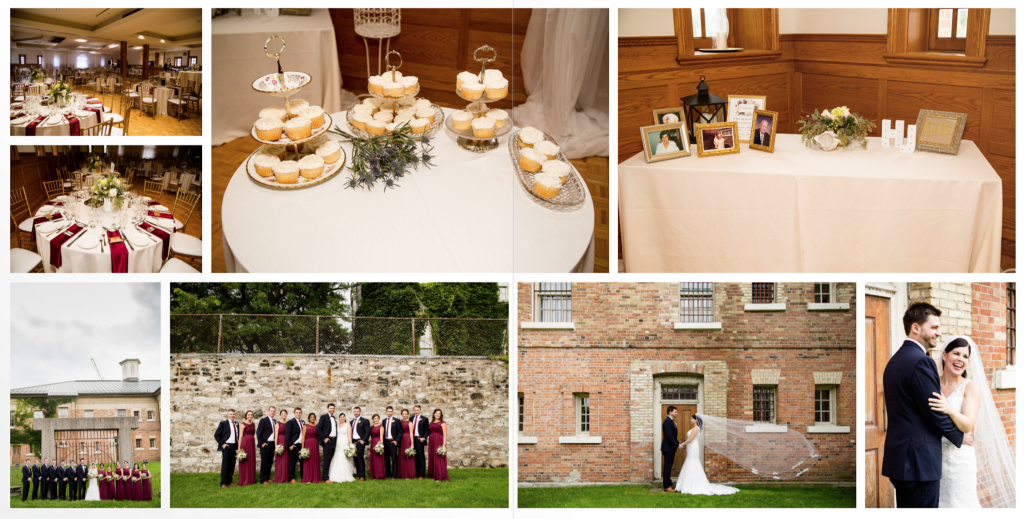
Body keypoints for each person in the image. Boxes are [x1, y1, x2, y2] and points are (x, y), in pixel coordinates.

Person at [882, 303, 964, 508]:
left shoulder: (894, 361)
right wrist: (960, 435)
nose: (939, 332)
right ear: (916, 328)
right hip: (920, 464)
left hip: (900, 460)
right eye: (934, 327)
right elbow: (935, 410)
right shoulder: (921, 362)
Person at [928, 337, 982, 507]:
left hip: (959, 461)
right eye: (956, 353)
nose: (961, 359)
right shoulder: (932, 384)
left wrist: (949, 408)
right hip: (933, 457)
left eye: (965, 356)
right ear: (944, 355)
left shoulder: (970, 387)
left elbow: (967, 425)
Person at [675, 415, 739, 495]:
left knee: (691, 463)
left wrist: (680, 445)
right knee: (691, 463)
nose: (690, 419)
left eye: (692, 418)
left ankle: (692, 485)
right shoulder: (694, 428)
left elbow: (690, 439)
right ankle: (689, 484)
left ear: (696, 420)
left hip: (693, 449)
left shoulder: (696, 428)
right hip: (691, 448)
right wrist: (684, 447)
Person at [214, 409, 240, 489]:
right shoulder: (223, 423)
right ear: (227, 415)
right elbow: (216, 435)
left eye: (233, 414)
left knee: (232, 465)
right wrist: (222, 444)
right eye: (231, 414)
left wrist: (237, 447)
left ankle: (229, 480)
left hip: (234, 446)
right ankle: (223, 482)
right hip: (227, 446)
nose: (232, 415)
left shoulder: (236, 424)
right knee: (225, 465)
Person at [327, 412, 356, 483]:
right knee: (337, 457)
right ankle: (334, 474)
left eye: (343, 417)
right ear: (339, 418)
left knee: (343, 458)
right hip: (338, 443)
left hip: (345, 443)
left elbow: (349, 436)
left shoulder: (348, 425)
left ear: (345, 418)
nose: (342, 418)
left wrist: (350, 445)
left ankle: (345, 474)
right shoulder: (337, 425)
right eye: (341, 417)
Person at [661, 406, 683, 491]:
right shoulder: (667, 422)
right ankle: (666, 486)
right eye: (675, 412)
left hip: (670, 448)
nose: (676, 413)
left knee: (669, 467)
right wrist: (677, 445)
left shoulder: (671, 421)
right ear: (670, 412)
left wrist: (678, 444)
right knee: (667, 467)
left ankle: (669, 483)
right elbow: (669, 436)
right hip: (668, 448)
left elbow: (673, 436)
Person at [317, 403, 339, 483]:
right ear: (327, 409)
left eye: (333, 408)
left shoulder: (335, 418)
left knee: (331, 459)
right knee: (326, 460)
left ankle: (330, 475)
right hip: (327, 440)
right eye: (330, 408)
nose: (332, 409)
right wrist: (324, 438)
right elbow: (318, 429)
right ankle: (325, 478)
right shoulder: (324, 417)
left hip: (334, 440)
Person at [257, 406, 277, 484]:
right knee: (264, 462)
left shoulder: (275, 421)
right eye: (271, 411)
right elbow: (259, 432)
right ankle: (263, 479)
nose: (272, 412)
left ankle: (267, 477)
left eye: (274, 411)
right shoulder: (263, 420)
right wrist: (262, 443)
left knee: (270, 461)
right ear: (268, 411)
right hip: (266, 444)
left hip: (272, 444)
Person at [428, 408, 449, 482]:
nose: (437, 415)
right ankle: (434, 475)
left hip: (439, 441)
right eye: (436, 413)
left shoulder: (443, 423)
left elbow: (445, 434)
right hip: (432, 441)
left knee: (438, 458)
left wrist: (444, 445)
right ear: (434, 414)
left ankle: (440, 476)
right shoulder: (431, 423)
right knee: (432, 457)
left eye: (439, 413)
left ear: (441, 415)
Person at [382, 405, 403, 479]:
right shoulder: (384, 421)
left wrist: (396, 441)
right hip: (386, 442)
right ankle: (387, 474)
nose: (390, 413)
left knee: (394, 459)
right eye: (388, 411)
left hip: (392, 442)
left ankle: (394, 475)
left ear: (392, 412)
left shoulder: (397, 421)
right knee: (386, 459)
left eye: (391, 411)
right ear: (386, 412)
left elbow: (400, 431)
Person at [351, 407, 370, 481]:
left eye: (357, 411)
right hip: (353, 442)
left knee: (360, 459)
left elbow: (368, 431)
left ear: (360, 412)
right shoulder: (351, 422)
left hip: (360, 442)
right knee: (355, 459)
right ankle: (358, 475)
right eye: (355, 411)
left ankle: (362, 476)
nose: (356, 412)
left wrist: (363, 440)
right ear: (353, 412)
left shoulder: (364, 421)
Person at [285, 407, 304, 483]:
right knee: (292, 462)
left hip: (301, 445)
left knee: (303, 462)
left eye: (300, 412)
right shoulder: (291, 422)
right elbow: (287, 435)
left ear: (301, 413)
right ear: (294, 413)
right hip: (294, 445)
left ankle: (304, 476)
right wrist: (290, 445)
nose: (298, 414)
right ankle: (292, 478)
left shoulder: (303, 422)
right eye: (297, 412)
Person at [301, 412, 321, 483]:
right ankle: (307, 477)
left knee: (315, 460)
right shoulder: (305, 426)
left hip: (315, 445)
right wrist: (302, 448)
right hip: (308, 445)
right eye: (311, 417)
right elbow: (303, 437)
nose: (312, 418)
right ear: (309, 418)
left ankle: (315, 477)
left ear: (315, 418)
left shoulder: (317, 426)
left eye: (313, 417)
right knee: (308, 461)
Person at [238, 410, 257, 486]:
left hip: (251, 443)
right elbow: (240, 436)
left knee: (251, 460)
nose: (250, 416)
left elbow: (253, 434)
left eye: (251, 415)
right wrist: (239, 447)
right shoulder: (243, 425)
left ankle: (251, 479)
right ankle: (244, 479)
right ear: (246, 416)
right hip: (245, 443)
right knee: (245, 461)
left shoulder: (253, 424)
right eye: (248, 415)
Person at [411, 405, 429, 479]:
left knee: (421, 457)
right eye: (415, 410)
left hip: (419, 439)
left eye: (418, 410)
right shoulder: (411, 418)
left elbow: (427, 430)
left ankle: (421, 475)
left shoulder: (424, 419)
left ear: (420, 410)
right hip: (413, 439)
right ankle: (416, 473)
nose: (416, 411)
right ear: (413, 410)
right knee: (414, 457)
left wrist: (424, 438)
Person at [273, 409, 290, 483]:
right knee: (280, 459)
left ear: (287, 415)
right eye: (282, 413)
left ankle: (286, 477)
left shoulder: (288, 423)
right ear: (280, 415)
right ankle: (279, 476)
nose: (284, 415)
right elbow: (275, 436)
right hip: (280, 441)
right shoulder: (278, 424)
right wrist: (276, 446)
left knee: (286, 459)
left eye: (285, 413)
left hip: (286, 441)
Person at [398, 409, 416, 479]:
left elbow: (411, 434)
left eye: (406, 414)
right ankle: (402, 474)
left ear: (408, 414)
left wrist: (412, 444)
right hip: (401, 440)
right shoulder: (399, 422)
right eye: (403, 414)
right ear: (401, 415)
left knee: (408, 456)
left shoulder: (410, 423)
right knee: (401, 456)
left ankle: (409, 474)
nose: (404, 415)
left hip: (407, 439)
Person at [369, 414, 385, 479]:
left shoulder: (381, 427)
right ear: (373, 419)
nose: (376, 419)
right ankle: (374, 474)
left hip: (378, 443)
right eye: (375, 418)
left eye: (377, 418)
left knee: (378, 459)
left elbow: (381, 436)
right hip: (373, 443)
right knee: (373, 459)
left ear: (379, 419)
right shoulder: (372, 427)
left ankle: (379, 475)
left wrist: (380, 446)